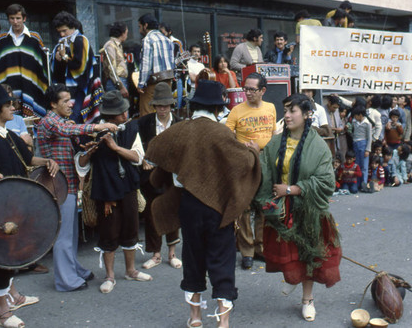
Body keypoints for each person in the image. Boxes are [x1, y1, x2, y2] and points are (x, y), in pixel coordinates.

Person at [145, 80, 261, 328]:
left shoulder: (179, 130)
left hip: (188, 205)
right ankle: (223, 321)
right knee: (222, 259)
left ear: (195, 104)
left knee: (193, 257)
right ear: (218, 108)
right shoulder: (221, 133)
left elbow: (153, 149)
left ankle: (195, 317)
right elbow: (242, 164)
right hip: (218, 208)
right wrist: (253, 153)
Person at [255, 93, 341, 322]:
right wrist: (267, 202)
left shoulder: (319, 147)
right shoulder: (274, 144)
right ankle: (295, 279)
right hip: (282, 210)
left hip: (308, 209)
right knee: (290, 256)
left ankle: (307, 299)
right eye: (286, 110)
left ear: (306, 114)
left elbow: (326, 181)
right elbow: (264, 176)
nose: (288, 115)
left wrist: (292, 189)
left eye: (293, 111)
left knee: (309, 255)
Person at [0, 84, 60, 328]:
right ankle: (3, 314)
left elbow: (28, 159)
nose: (13, 109)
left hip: (14, 205)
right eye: (9, 105)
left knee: (10, 255)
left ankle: (14, 297)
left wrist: (48, 161)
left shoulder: (7, 135)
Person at [36, 83, 118, 291]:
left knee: (70, 232)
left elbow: (69, 136)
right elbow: (67, 129)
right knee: (63, 235)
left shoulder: (60, 121)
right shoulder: (50, 122)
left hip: (68, 184)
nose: (70, 103)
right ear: (53, 104)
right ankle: (65, 280)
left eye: (69, 99)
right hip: (58, 185)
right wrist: (97, 126)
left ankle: (72, 269)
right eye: (65, 100)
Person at [76, 90, 152, 293]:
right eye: (122, 112)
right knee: (108, 232)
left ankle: (131, 270)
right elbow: (81, 165)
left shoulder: (131, 127)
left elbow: (137, 157)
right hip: (106, 190)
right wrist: (89, 152)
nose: (126, 114)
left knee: (131, 228)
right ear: (111, 115)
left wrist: (115, 147)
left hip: (128, 186)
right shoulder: (93, 130)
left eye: (125, 111)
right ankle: (109, 276)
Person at [225, 72, 276, 270]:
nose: (247, 93)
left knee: (264, 205)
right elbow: (227, 138)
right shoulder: (236, 111)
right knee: (244, 207)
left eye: (252, 89)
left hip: (266, 160)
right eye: (245, 88)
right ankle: (246, 251)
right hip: (244, 161)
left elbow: (273, 134)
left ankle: (260, 248)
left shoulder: (271, 108)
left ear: (263, 90)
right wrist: (244, 148)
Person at [137, 82, 182, 270]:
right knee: (152, 212)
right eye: (159, 105)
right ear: (154, 106)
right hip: (151, 174)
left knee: (172, 211)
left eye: (165, 105)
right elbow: (136, 146)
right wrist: (142, 160)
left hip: (172, 175)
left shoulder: (179, 123)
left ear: (171, 106)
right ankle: (155, 254)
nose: (162, 109)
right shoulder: (144, 123)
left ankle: (172, 254)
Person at [0, 4, 48, 117]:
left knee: (31, 123)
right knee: (11, 119)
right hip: (10, 86)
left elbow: (43, 65)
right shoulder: (2, 39)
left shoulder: (34, 38)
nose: (15, 22)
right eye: (12, 18)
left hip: (31, 87)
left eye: (18, 18)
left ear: (24, 18)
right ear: (8, 19)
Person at [51, 11, 103, 124]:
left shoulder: (81, 40)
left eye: (64, 31)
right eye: (59, 32)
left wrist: (64, 56)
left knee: (76, 115)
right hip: (68, 89)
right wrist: (57, 59)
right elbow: (58, 71)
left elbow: (80, 67)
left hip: (82, 88)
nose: (62, 34)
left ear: (73, 27)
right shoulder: (62, 43)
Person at [137, 13, 174, 117]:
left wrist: (141, 83)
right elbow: (172, 62)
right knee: (164, 113)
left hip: (154, 82)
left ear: (145, 25)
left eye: (140, 27)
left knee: (147, 113)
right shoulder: (167, 40)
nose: (139, 30)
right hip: (168, 81)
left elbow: (146, 63)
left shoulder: (148, 39)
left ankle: (149, 134)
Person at [102, 22, 129, 98]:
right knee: (116, 108)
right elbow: (111, 69)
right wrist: (120, 86)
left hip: (120, 81)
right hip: (115, 83)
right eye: (126, 33)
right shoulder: (110, 45)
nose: (127, 36)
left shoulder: (118, 45)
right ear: (122, 33)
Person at [350, 105, 372, 188]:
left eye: (356, 115)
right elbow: (353, 132)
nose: (355, 117)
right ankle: (357, 182)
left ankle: (364, 183)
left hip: (363, 144)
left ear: (360, 115)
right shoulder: (354, 122)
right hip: (355, 143)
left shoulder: (367, 124)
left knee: (364, 166)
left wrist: (367, 150)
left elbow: (369, 138)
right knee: (357, 164)